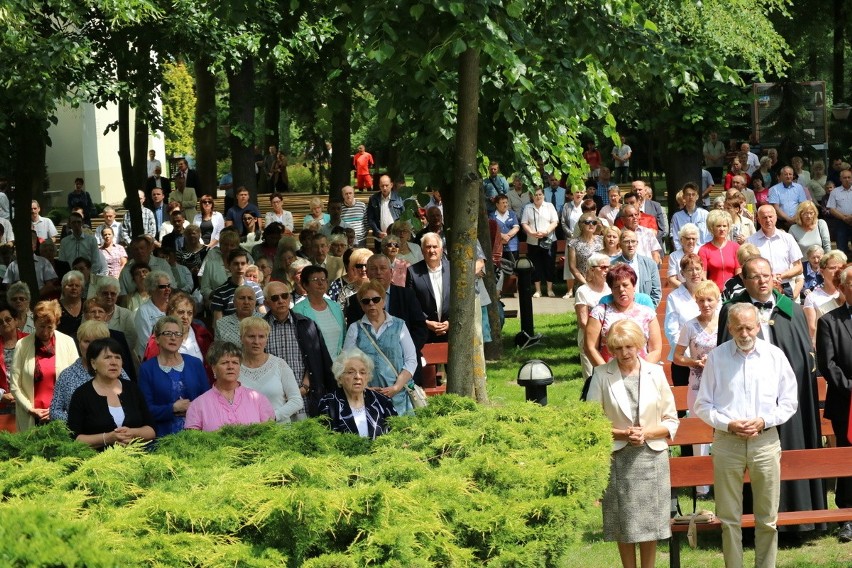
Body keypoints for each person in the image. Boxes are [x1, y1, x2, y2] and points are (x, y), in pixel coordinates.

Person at [718, 256, 826, 534]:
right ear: (744, 280)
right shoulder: (731, 311)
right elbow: (723, 359)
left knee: (792, 447)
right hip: (747, 402)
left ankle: (800, 520)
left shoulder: (793, 310)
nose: (762, 280)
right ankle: (754, 524)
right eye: (755, 276)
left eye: (766, 275)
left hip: (788, 400)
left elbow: (803, 358)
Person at [695, 303, 798, 568]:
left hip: (764, 440)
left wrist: (765, 419)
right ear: (729, 328)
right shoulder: (717, 358)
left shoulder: (775, 356)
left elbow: (789, 402)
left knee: (767, 518)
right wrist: (728, 424)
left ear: (759, 326)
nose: (744, 333)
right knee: (729, 518)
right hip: (727, 442)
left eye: (749, 327)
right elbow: (703, 405)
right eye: (738, 327)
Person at [586, 320, 678, 568]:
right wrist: (623, 434)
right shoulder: (601, 374)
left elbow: (671, 420)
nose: (624, 353)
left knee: (651, 525)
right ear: (611, 349)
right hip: (619, 458)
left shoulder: (655, 373)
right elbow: (592, 423)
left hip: (652, 458)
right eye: (618, 348)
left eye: (629, 346)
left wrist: (646, 433)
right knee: (623, 525)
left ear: (639, 344)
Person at [343, 280, 417, 416]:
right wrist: (365, 388)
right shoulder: (355, 328)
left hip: (399, 397)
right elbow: (347, 364)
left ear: (383, 301)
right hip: (366, 397)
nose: (371, 304)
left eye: (376, 299)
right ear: (361, 305)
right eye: (366, 301)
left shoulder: (399, 325)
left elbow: (411, 360)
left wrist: (396, 387)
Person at [816, 264, 852, 542]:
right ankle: (848, 518)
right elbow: (827, 364)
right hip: (847, 403)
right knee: (848, 461)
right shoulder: (830, 321)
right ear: (841, 288)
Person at [673, 280, 721, 490]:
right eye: (701, 300)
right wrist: (694, 362)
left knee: (720, 429)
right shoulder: (689, 326)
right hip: (697, 384)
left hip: (721, 385)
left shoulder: (725, 323)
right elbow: (677, 357)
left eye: (709, 299)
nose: (706, 304)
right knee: (698, 430)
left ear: (717, 300)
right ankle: (701, 485)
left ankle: (721, 478)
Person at [263, 280, 335, 417]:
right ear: (267, 303)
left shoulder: (306, 324)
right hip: (274, 402)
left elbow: (319, 360)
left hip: (306, 399)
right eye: (274, 298)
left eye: (284, 296)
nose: (280, 301)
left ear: (289, 298)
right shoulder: (260, 328)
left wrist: (306, 386)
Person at [67, 337, 156, 449]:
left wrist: (132, 433)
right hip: (97, 461)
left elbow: (151, 430)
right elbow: (74, 438)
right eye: (107, 357)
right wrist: (107, 438)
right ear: (93, 363)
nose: (114, 362)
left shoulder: (132, 388)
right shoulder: (81, 394)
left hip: (136, 457)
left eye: (117, 357)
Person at [9, 300, 79, 432]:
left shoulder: (68, 342)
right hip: (30, 414)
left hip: (61, 414)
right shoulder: (22, 345)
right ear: (34, 322)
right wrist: (30, 408)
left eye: (50, 327)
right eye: (41, 326)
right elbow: (14, 385)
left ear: (56, 324)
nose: (45, 332)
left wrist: (56, 409)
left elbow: (75, 381)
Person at [137, 316, 209, 437]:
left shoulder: (195, 363)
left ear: (182, 338)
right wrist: (172, 408)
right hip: (162, 436)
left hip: (197, 434)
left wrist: (194, 408)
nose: (173, 338)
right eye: (168, 333)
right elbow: (145, 410)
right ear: (157, 338)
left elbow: (208, 400)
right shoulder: (147, 369)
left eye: (177, 334)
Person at [585, 264, 662, 370]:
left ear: (634, 286)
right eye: (616, 286)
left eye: (625, 285)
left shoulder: (648, 313)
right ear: (611, 289)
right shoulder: (599, 313)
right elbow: (590, 347)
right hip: (608, 374)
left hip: (642, 373)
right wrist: (606, 372)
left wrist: (640, 371)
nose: (621, 290)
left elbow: (656, 350)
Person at [184, 341, 275, 431]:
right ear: (214, 368)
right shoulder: (198, 405)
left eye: (235, 362)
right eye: (224, 362)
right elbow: (192, 442)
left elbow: (270, 436)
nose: (230, 366)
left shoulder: (259, 400)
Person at [317, 348, 397, 439]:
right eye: (351, 372)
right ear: (339, 377)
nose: (358, 377)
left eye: (362, 372)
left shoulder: (382, 401)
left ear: (368, 377)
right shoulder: (328, 403)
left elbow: (396, 434)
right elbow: (324, 441)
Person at [239, 316, 303, 423]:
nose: (256, 341)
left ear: (267, 339)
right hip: (246, 432)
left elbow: (296, 400)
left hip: (279, 432)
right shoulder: (234, 368)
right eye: (251, 336)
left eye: (261, 336)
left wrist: (273, 417)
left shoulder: (279, 364)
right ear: (241, 338)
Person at [142, 292, 213, 383]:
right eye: (181, 312)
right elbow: (151, 373)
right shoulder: (158, 339)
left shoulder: (203, 335)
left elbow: (212, 368)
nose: (185, 317)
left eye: (190, 313)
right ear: (170, 313)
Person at [664, 255, 707, 390]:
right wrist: (689, 357)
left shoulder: (711, 293)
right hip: (682, 360)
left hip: (708, 359)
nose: (695, 273)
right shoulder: (674, 297)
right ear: (682, 273)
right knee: (683, 404)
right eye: (690, 270)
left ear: (702, 270)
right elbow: (671, 330)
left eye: (697, 269)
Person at [746, 205, 803, 298]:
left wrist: (781, 276)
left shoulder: (787, 238)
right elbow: (747, 269)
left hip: (784, 287)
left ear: (776, 217)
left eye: (770, 216)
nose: (768, 220)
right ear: (758, 219)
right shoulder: (751, 241)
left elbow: (799, 267)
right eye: (764, 217)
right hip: (761, 287)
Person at [292, 266, 345, 358]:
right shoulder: (298, 310)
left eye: (323, 279)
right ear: (305, 285)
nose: (320, 283)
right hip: (315, 366)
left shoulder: (335, 306)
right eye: (315, 279)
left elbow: (344, 336)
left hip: (339, 367)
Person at [405, 233, 450, 342]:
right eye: (428, 247)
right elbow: (410, 303)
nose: (432, 250)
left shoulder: (452, 269)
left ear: (441, 249)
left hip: (450, 332)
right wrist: (426, 323)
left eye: (435, 247)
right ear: (422, 250)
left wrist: (450, 322)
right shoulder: (412, 272)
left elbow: (460, 299)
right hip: (424, 332)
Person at [574, 254, 611, 378]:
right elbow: (583, 322)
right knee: (592, 378)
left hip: (611, 340)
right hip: (590, 340)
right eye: (603, 267)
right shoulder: (582, 291)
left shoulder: (612, 288)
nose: (607, 270)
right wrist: (601, 335)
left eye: (608, 267)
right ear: (592, 269)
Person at [521, 187, 559, 298]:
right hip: (533, 241)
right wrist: (531, 233)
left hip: (549, 240)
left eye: (540, 195)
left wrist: (546, 231)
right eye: (535, 195)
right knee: (535, 266)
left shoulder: (549, 206)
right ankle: (538, 290)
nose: (538, 197)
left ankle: (549, 289)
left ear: (543, 195)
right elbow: (524, 223)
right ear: (531, 196)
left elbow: (555, 221)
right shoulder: (528, 207)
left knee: (549, 265)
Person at [803, 250, 847, 342]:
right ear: (822, 272)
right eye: (832, 268)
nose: (837, 271)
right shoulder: (812, 297)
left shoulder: (848, 294)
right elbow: (812, 329)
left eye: (841, 268)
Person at [611, 230, 661, 306]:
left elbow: (656, 292)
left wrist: (648, 311)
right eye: (626, 241)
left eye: (633, 241)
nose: (630, 245)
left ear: (637, 243)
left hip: (645, 311)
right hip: (620, 311)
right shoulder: (613, 265)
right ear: (620, 245)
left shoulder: (650, 264)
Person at [133, 270, 172, 357]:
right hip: (152, 357)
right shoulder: (143, 311)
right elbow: (146, 342)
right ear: (152, 289)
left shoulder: (173, 307)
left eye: (168, 286)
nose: (167, 289)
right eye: (162, 287)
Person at [698, 209, 740, 292]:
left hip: (733, 292)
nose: (722, 229)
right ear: (712, 228)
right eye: (718, 226)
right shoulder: (704, 250)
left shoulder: (736, 247)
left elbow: (739, 271)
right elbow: (703, 276)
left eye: (725, 226)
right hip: (713, 293)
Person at [566, 213, 603, 298]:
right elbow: (572, 267)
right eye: (587, 222)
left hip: (601, 282)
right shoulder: (573, 243)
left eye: (594, 222)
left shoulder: (601, 240)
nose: (591, 224)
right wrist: (586, 284)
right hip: (583, 284)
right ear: (581, 225)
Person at [670, 183, 710, 249]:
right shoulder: (676, 217)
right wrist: (682, 252)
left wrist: (704, 251)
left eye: (693, 194)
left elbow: (709, 235)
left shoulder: (705, 214)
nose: (691, 197)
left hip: (702, 252)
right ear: (683, 196)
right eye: (688, 194)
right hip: (683, 253)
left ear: (697, 197)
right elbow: (675, 238)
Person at [0, 304, 26, 406]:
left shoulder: (29, 341)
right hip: (4, 403)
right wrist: (1, 395)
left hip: (28, 400)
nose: (4, 323)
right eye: (0, 322)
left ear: (16, 321)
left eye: (8, 319)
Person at [768, 166, 809, 230]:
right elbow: (776, 207)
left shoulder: (799, 188)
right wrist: (788, 219)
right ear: (781, 176)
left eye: (790, 174)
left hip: (797, 221)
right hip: (781, 223)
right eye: (785, 174)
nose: (788, 176)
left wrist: (794, 219)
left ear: (793, 176)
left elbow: (802, 205)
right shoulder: (775, 189)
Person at [366, 175, 404, 241]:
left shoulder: (399, 198)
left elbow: (404, 217)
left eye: (387, 185)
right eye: (382, 186)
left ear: (391, 185)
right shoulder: (373, 199)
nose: (384, 188)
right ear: (379, 186)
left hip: (396, 237)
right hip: (380, 238)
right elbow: (370, 219)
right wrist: (378, 232)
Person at [667, 224, 701, 288]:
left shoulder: (701, 251)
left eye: (693, 239)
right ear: (681, 239)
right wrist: (687, 289)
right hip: (681, 291)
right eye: (688, 238)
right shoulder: (674, 256)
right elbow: (672, 279)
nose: (691, 241)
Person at [827, 168, 852, 255]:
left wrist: (850, 217)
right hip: (840, 223)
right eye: (845, 178)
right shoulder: (835, 192)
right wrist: (844, 218)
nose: (847, 179)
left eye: (849, 177)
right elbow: (832, 209)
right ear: (840, 179)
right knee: (841, 249)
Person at [57, 270, 85, 338]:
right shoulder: (55, 306)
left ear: (82, 289)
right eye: (70, 285)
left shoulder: (88, 305)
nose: (74, 288)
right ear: (63, 288)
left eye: (77, 285)